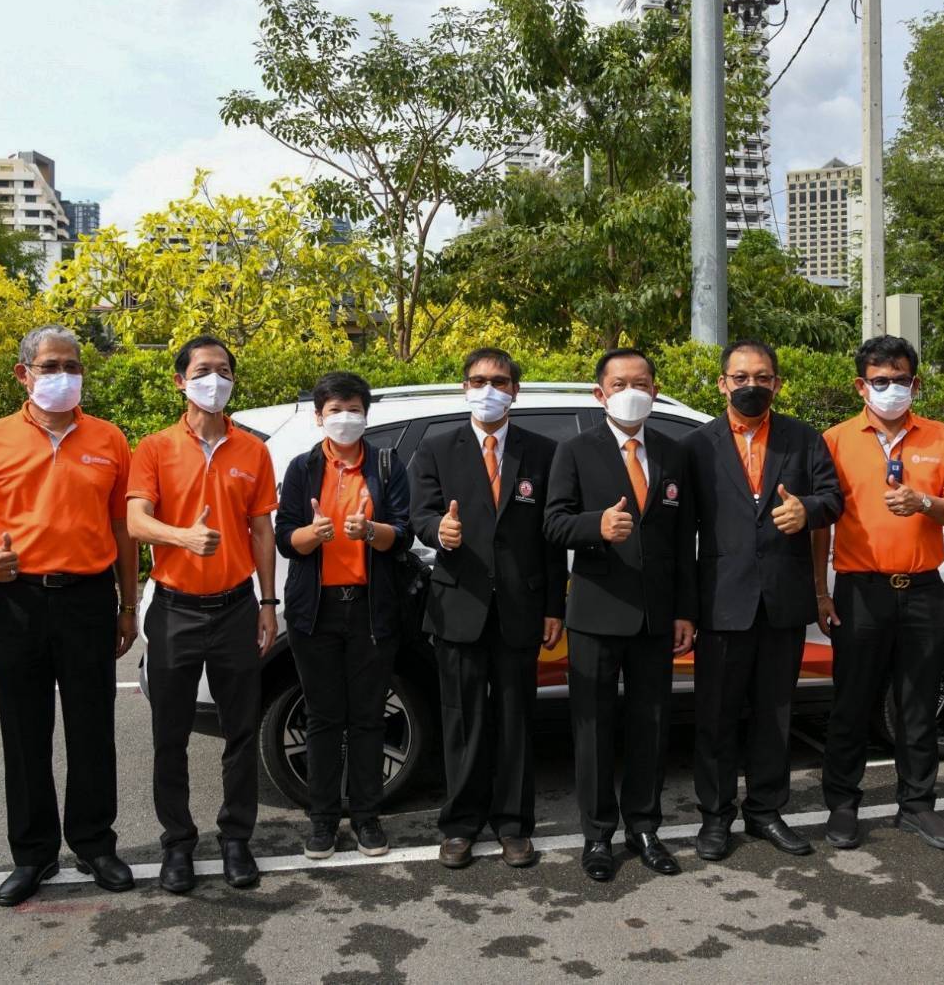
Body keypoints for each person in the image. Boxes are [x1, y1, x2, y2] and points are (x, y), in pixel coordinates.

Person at [0, 324, 138, 906]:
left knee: (92, 727)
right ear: (23, 373)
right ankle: (33, 855)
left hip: (87, 598)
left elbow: (122, 529)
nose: (64, 376)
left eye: (73, 366)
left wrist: (128, 604)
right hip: (17, 600)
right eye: (51, 366)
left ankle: (94, 843)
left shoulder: (109, 439)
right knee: (24, 730)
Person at [126, 336, 279, 892]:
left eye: (223, 370)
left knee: (242, 731)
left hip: (238, 608)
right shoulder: (155, 448)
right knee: (171, 736)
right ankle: (177, 845)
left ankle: (236, 840)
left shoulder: (252, 451)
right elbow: (136, 521)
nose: (213, 379)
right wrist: (181, 537)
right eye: (203, 370)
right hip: (175, 612)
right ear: (180, 381)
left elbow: (262, 529)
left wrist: (268, 602)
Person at [409, 347, 568, 871]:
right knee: (462, 723)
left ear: (515, 391)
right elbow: (419, 515)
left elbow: (551, 537)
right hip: (460, 606)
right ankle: (459, 826)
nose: (488, 390)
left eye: (499, 381)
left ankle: (514, 827)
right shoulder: (437, 448)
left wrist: (553, 606)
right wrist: (439, 531)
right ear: (464, 387)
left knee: (516, 722)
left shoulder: (542, 451)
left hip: (521, 610)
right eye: (478, 380)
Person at [683, 338, 842, 862]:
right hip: (721, 604)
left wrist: (809, 512)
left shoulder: (802, 438)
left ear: (776, 383)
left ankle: (766, 810)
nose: (752, 385)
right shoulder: (698, 446)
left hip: (782, 601)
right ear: (723, 383)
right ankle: (715, 816)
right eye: (741, 376)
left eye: (763, 376)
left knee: (776, 714)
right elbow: (683, 534)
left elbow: (833, 498)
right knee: (716, 715)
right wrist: (686, 607)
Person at [544, 348, 698, 882]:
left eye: (641, 381)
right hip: (595, 614)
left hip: (657, 619)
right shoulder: (575, 450)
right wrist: (596, 526)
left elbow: (683, 541)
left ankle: (645, 827)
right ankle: (596, 836)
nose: (631, 390)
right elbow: (553, 524)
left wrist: (684, 610)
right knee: (594, 730)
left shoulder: (673, 452)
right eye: (619, 382)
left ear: (654, 389)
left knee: (652, 725)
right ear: (600, 393)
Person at [815, 335, 944, 851]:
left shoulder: (941, 437)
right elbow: (820, 524)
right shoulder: (835, 440)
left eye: (900, 380)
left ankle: (918, 806)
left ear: (915, 383)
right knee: (852, 703)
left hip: (924, 590)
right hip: (860, 589)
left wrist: (924, 502)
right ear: (861, 385)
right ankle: (841, 805)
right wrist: (821, 590)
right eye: (879, 381)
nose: (890, 389)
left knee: (917, 704)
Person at [275, 371, 411, 861]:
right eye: (334, 411)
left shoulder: (388, 465)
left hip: (372, 610)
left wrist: (369, 530)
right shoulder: (301, 468)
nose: (345, 419)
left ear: (366, 414)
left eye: (353, 409)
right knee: (324, 718)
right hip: (317, 612)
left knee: (369, 718)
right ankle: (323, 822)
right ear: (319, 417)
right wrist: (315, 534)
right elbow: (284, 538)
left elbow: (403, 533)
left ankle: (368, 820)